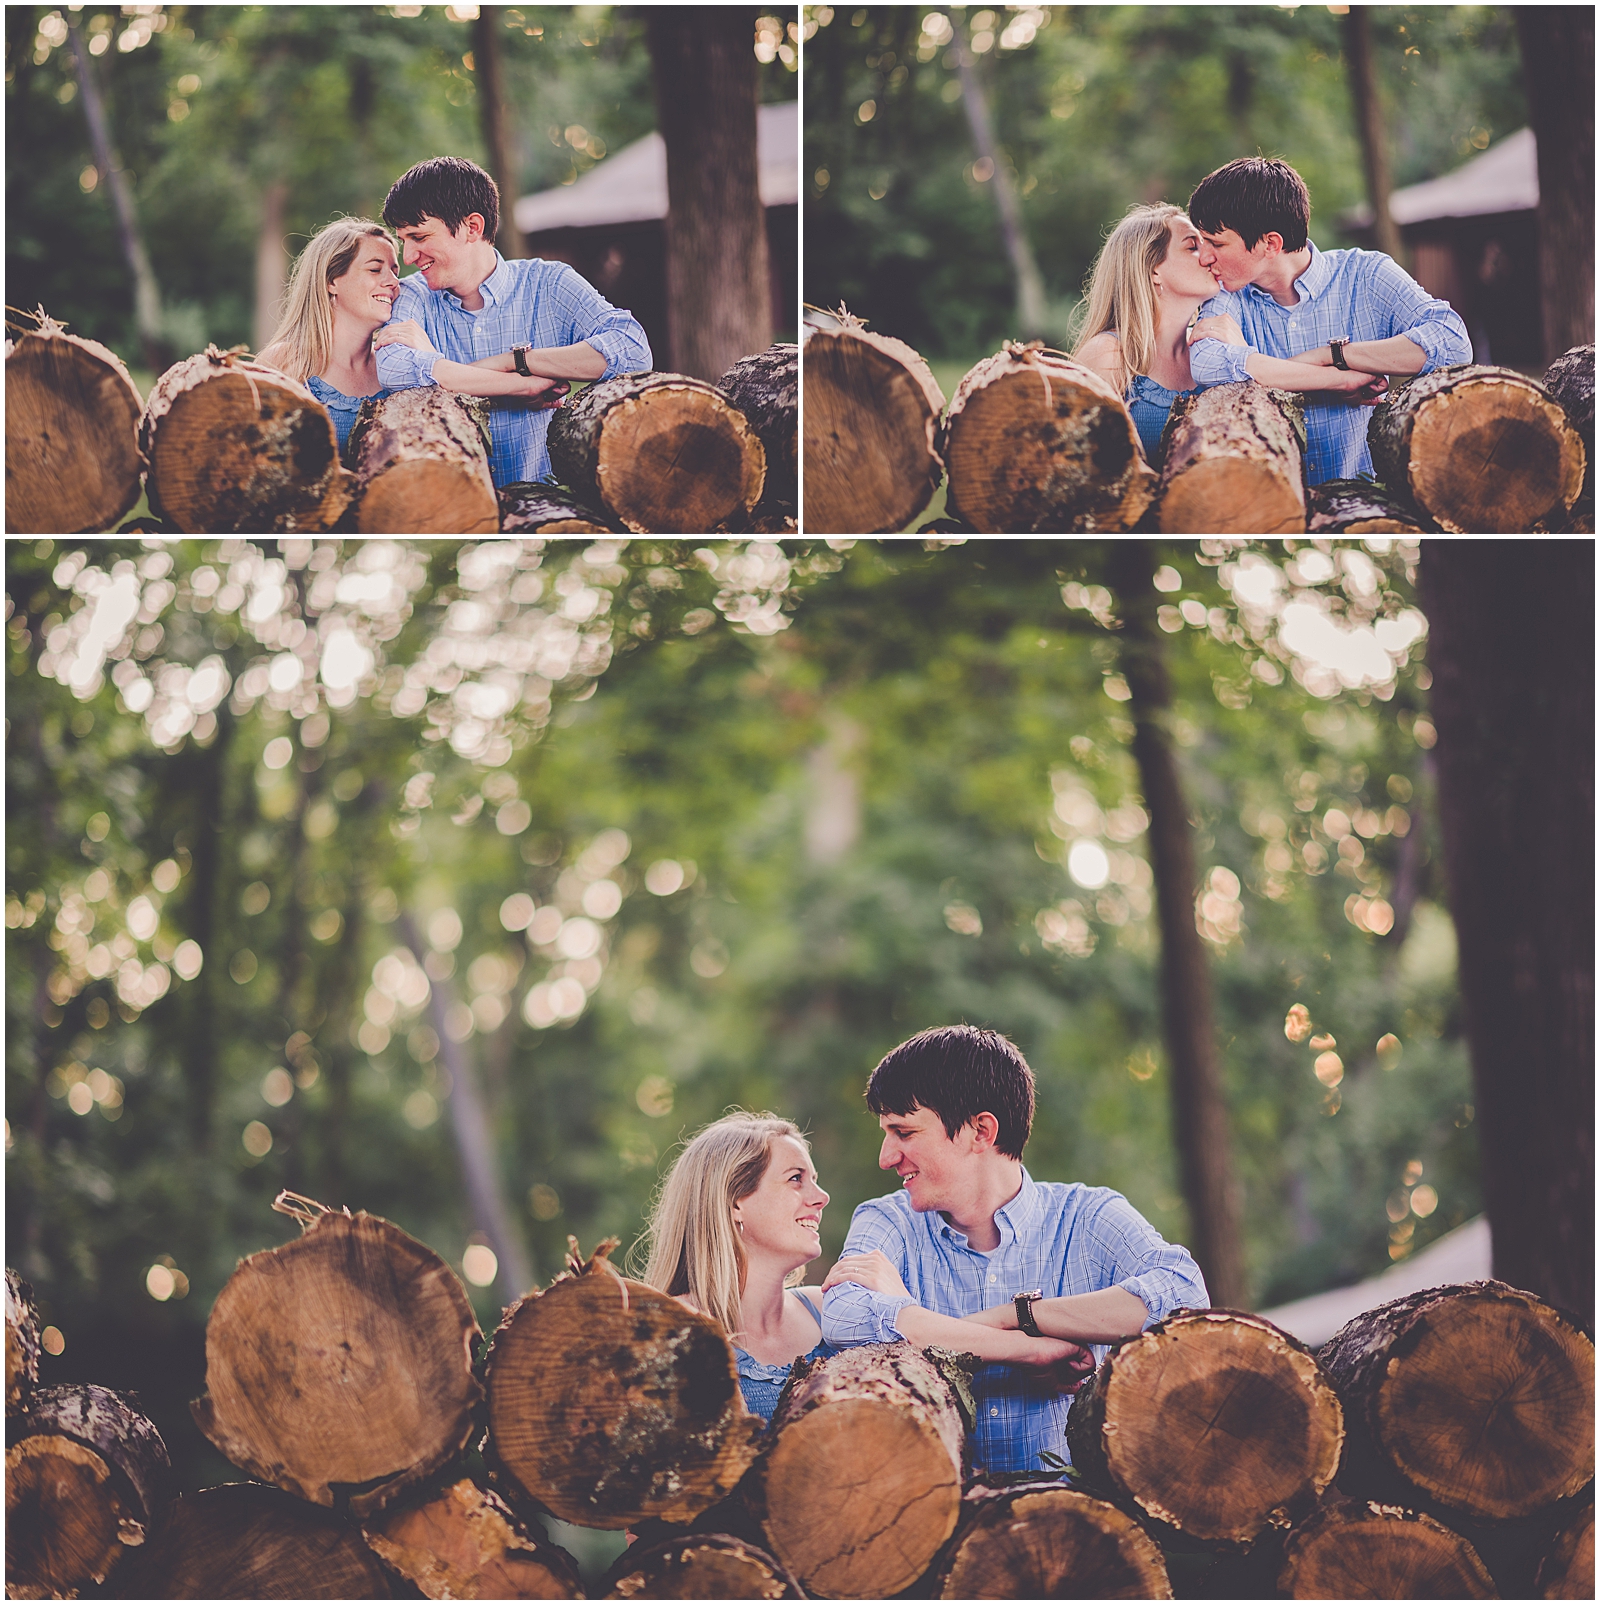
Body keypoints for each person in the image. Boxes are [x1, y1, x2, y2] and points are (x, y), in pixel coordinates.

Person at [820, 1026, 1209, 1475]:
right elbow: (845, 1315)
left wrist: (1018, 1316)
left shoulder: (1089, 1216)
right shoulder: (888, 1221)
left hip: (1078, 1524)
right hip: (932, 1526)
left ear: (980, 1132)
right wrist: (1027, 1349)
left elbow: (1186, 1296)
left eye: (904, 1132)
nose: (886, 1157)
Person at [1186, 156, 1473, 484]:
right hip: (1272, 508)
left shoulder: (1366, 275)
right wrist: (1339, 378)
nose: (1205, 257)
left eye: (1216, 243)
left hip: (1366, 508)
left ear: (1271, 243)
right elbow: (1206, 363)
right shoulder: (1227, 295)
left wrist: (1337, 355)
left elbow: (1452, 342)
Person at [372, 156, 652, 487]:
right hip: (451, 508)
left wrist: (523, 360)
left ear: (472, 228)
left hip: (547, 508)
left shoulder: (549, 283)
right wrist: (521, 381)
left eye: (419, 237)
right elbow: (392, 368)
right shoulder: (412, 295)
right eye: (403, 240)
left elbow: (633, 350)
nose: (406, 257)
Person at [1072, 203, 1380, 466]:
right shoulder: (1110, 356)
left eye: (1209, 245)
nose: (1208, 257)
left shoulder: (1212, 347)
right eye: (1193, 247)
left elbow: (1272, 392)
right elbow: (1078, 469)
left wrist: (1336, 364)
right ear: (1153, 269)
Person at [255, 218, 564, 458]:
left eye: (393, 270)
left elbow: (458, 379)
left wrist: (520, 368)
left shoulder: (393, 364)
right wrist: (525, 385)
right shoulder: (286, 362)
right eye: (376, 269)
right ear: (332, 281)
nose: (393, 282)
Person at [636, 1112, 837, 1421]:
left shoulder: (830, 1311)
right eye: (796, 1179)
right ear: (735, 1204)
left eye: (815, 1181)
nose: (821, 1197)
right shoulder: (670, 1333)